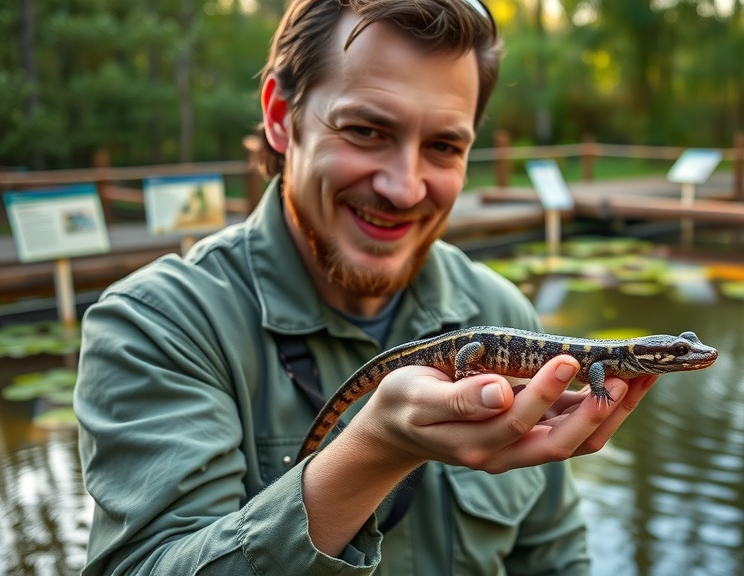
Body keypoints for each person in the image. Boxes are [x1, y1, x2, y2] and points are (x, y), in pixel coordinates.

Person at [74, 0, 660, 574]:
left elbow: (556, 558)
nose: (404, 188)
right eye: (365, 129)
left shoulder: (501, 306)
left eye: (444, 146)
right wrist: (374, 451)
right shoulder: (152, 325)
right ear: (281, 117)